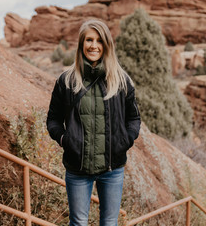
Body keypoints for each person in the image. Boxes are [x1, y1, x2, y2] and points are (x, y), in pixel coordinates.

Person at [47, 19, 141, 226]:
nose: (94, 45)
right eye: (89, 40)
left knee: (109, 223)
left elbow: (133, 119)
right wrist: (65, 139)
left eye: (99, 40)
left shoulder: (121, 80)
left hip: (112, 168)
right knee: (79, 222)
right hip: (77, 168)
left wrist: (125, 140)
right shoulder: (67, 81)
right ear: (81, 43)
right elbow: (53, 119)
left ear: (106, 44)